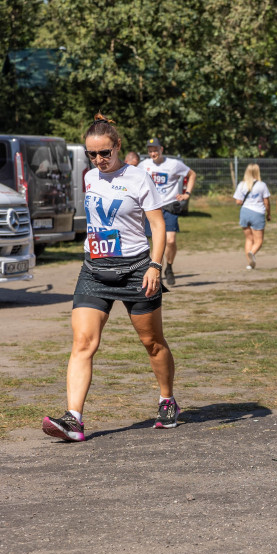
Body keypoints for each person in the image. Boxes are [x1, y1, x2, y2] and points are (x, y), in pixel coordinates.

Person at [42, 114, 178, 442]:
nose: (100, 160)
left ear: (117, 146)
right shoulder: (90, 178)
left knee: (153, 343)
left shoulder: (138, 178)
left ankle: (167, 399)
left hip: (136, 271)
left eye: (105, 153)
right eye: (93, 154)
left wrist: (155, 266)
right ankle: (74, 420)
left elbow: (157, 226)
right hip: (94, 270)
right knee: (83, 342)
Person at [139, 137, 196, 287]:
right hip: (152, 209)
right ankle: (158, 275)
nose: (153, 153)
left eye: (155, 150)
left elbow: (192, 174)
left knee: (170, 241)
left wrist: (187, 194)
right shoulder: (143, 165)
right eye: (150, 151)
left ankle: (169, 267)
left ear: (161, 149)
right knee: (157, 244)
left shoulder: (174, 164)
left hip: (169, 207)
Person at [232, 164, 271, 270]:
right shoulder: (262, 185)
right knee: (258, 241)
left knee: (249, 239)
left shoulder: (241, 184)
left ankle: (250, 264)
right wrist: (269, 214)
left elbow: (238, 201)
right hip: (257, 213)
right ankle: (252, 253)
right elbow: (266, 202)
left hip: (244, 212)